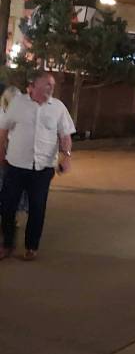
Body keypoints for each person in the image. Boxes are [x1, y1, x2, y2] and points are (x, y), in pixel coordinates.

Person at [0, 70, 75, 261]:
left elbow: (65, 136)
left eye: (53, 85)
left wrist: (66, 157)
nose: (51, 88)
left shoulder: (57, 107)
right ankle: (7, 244)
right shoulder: (18, 103)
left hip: (42, 168)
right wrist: (1, 153)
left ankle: (31, 246)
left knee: (37, 208)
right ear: (35, 85)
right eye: (48, 84)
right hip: (15, 166)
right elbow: (4, 130)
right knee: (8, 207)